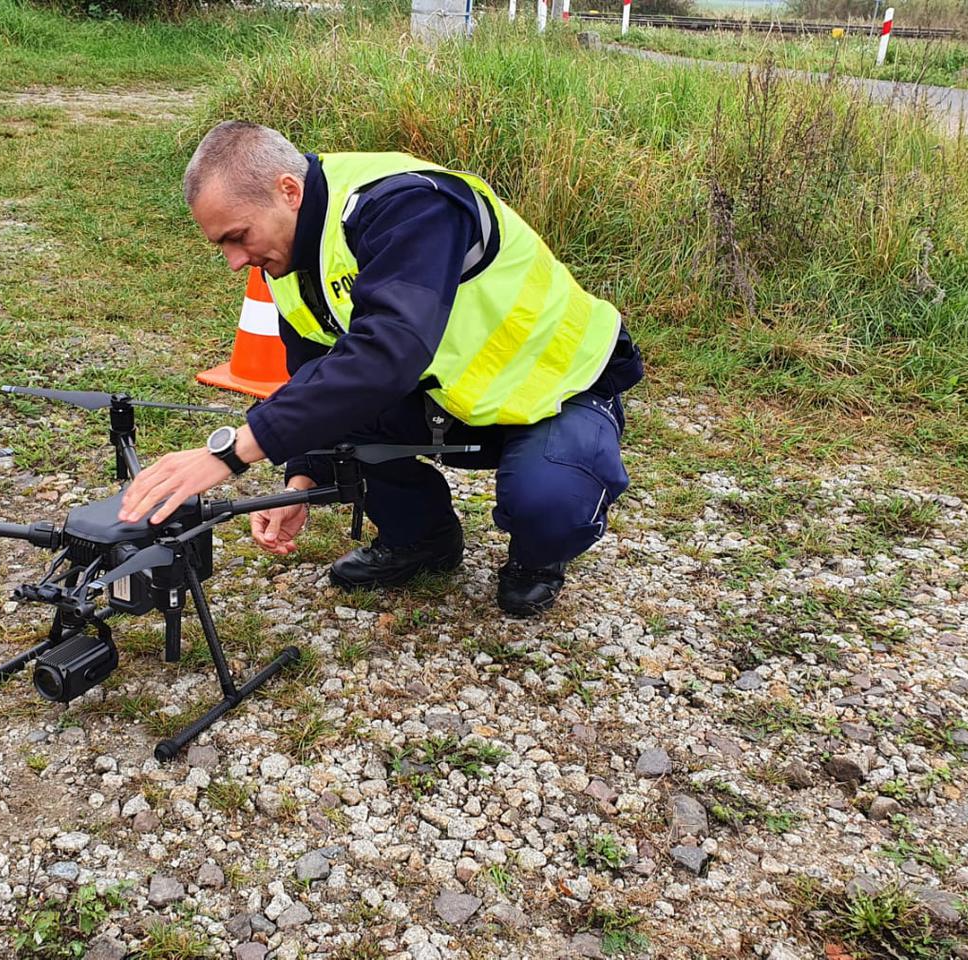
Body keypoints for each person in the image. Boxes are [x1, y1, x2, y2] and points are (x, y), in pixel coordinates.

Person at [118, 121, 644, 617]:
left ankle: (538, 551)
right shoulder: (291, 254)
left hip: (556, 389)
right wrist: (300, 478)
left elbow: (390, 351)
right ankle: (422, 539)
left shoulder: (408, 205)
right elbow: (314, 376)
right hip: (451, 397)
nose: (235, 260)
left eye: (238, 236)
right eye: (222, 246)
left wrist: (234, 452)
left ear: (288, 191)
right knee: (334, 413)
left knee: (549, 500)